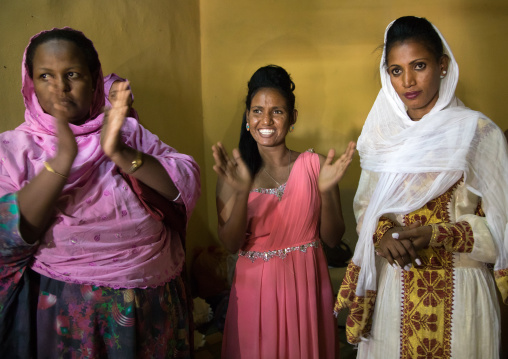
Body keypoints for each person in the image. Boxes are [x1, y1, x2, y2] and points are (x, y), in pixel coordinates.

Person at [0, 28, 200, 358]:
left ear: (94, 79)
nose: (60, 87)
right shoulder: (14, 149)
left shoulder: (126, 130)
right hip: (70, 313)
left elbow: (183, 184)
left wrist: (119, 151)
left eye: (73, 74)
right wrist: (63, 159)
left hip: (153, 304)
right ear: (30, 83)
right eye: (46, 76)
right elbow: (13, 233)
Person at [334, 16, 508, 358]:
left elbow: (501, 230)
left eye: (419, 65)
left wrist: (436, 234)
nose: (408, 81)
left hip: (464, 298)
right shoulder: (383, 139)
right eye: (396, 71)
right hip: (395, 295)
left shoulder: (480, 134)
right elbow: (367, 209)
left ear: (442, 66)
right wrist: (382, 233)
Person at [212, 64, 356, 358]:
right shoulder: (234, 173)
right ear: (247, 118)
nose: (266, 119)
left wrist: (326, 190)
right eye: (257, 111)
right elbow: (230, 244)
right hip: (254, 291)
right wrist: (241, 193)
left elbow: (333, 237)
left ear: (292, 118)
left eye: (277, 111)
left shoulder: (314, 165)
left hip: (306, 288)